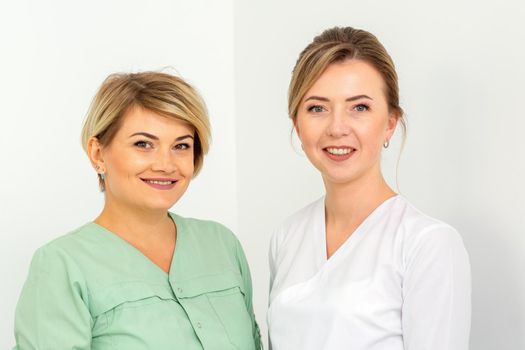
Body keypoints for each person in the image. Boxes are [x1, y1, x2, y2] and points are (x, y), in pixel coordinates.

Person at [14, 71, 261, 350]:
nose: (166, 164)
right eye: (143, 144)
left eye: (181, 146)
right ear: (97, 153)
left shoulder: (221, 244)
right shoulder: (62, 265)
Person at [268, 27, 471, 350]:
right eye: (317, 108)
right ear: (297, 123)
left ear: (390, 122)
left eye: (359, 107)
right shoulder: (287, 236)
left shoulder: (427, 244)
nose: (336, 128)